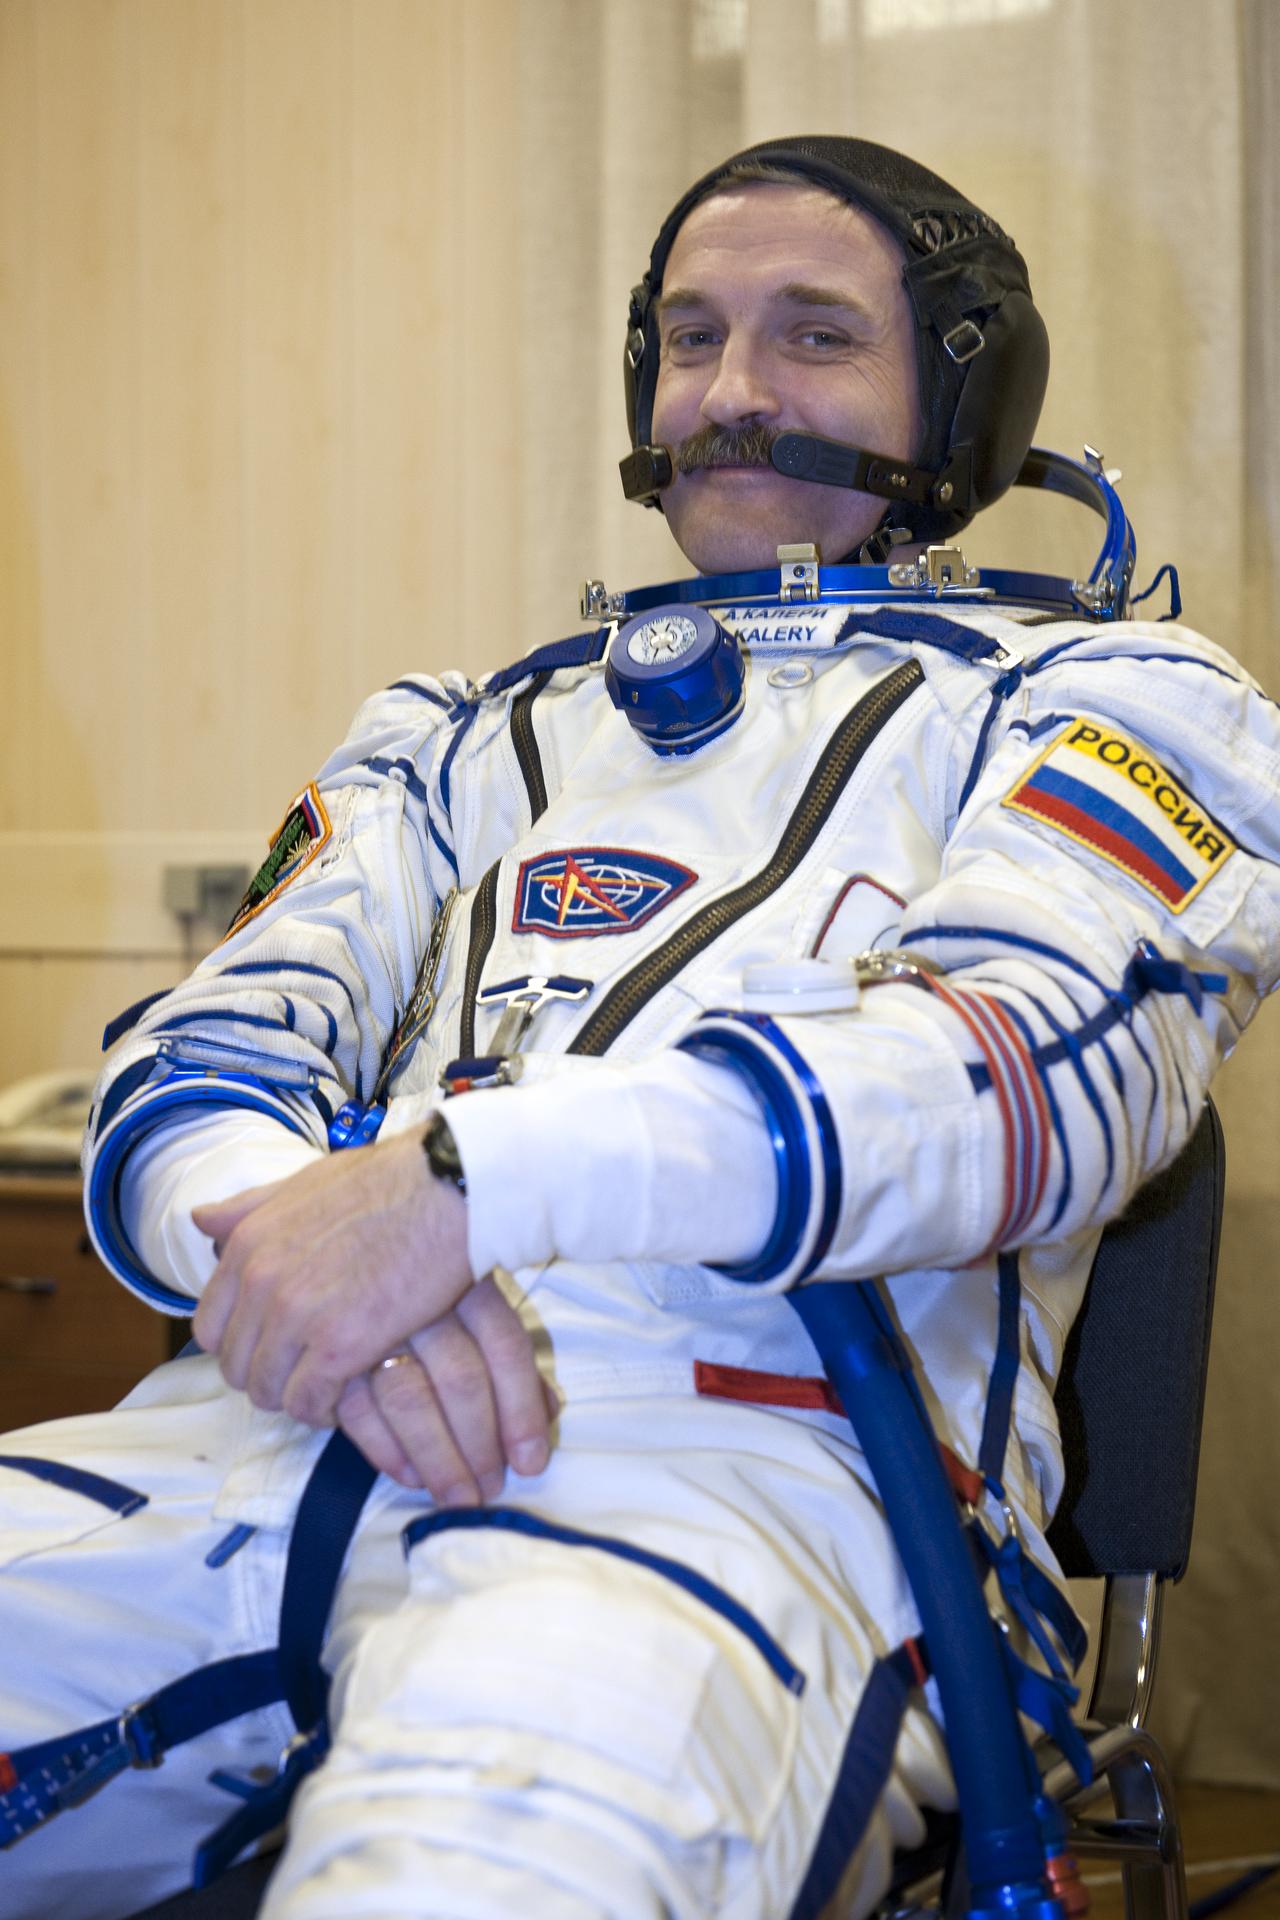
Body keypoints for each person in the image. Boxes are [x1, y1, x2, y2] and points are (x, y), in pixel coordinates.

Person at [3, 135, 1278, 1920]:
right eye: (689, 337)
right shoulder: (458, 738)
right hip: (270, 1431)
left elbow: (1020, 1074)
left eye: (815, 335)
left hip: (756, 1482)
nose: (732, 390)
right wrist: (309, 1261)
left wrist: (460, 1191)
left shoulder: (1112, 703)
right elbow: (199, 1058)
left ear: (962, 399)